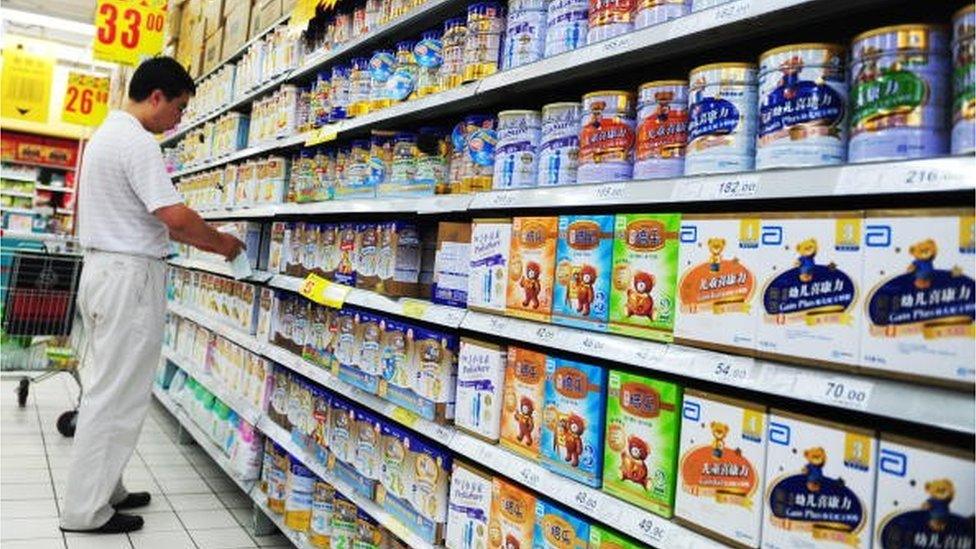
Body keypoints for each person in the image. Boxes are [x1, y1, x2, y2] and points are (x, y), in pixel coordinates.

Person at [59, 57, 244, 534]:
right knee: (116, 395)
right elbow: (174, 216)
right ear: (157, 97)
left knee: (110, 386)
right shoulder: (137, 142)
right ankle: (85, 509)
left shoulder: (106, 135)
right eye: (179, 108)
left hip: (104, 271)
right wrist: (223, 244)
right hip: (129, 278)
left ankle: (108, 488)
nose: (178, 120)